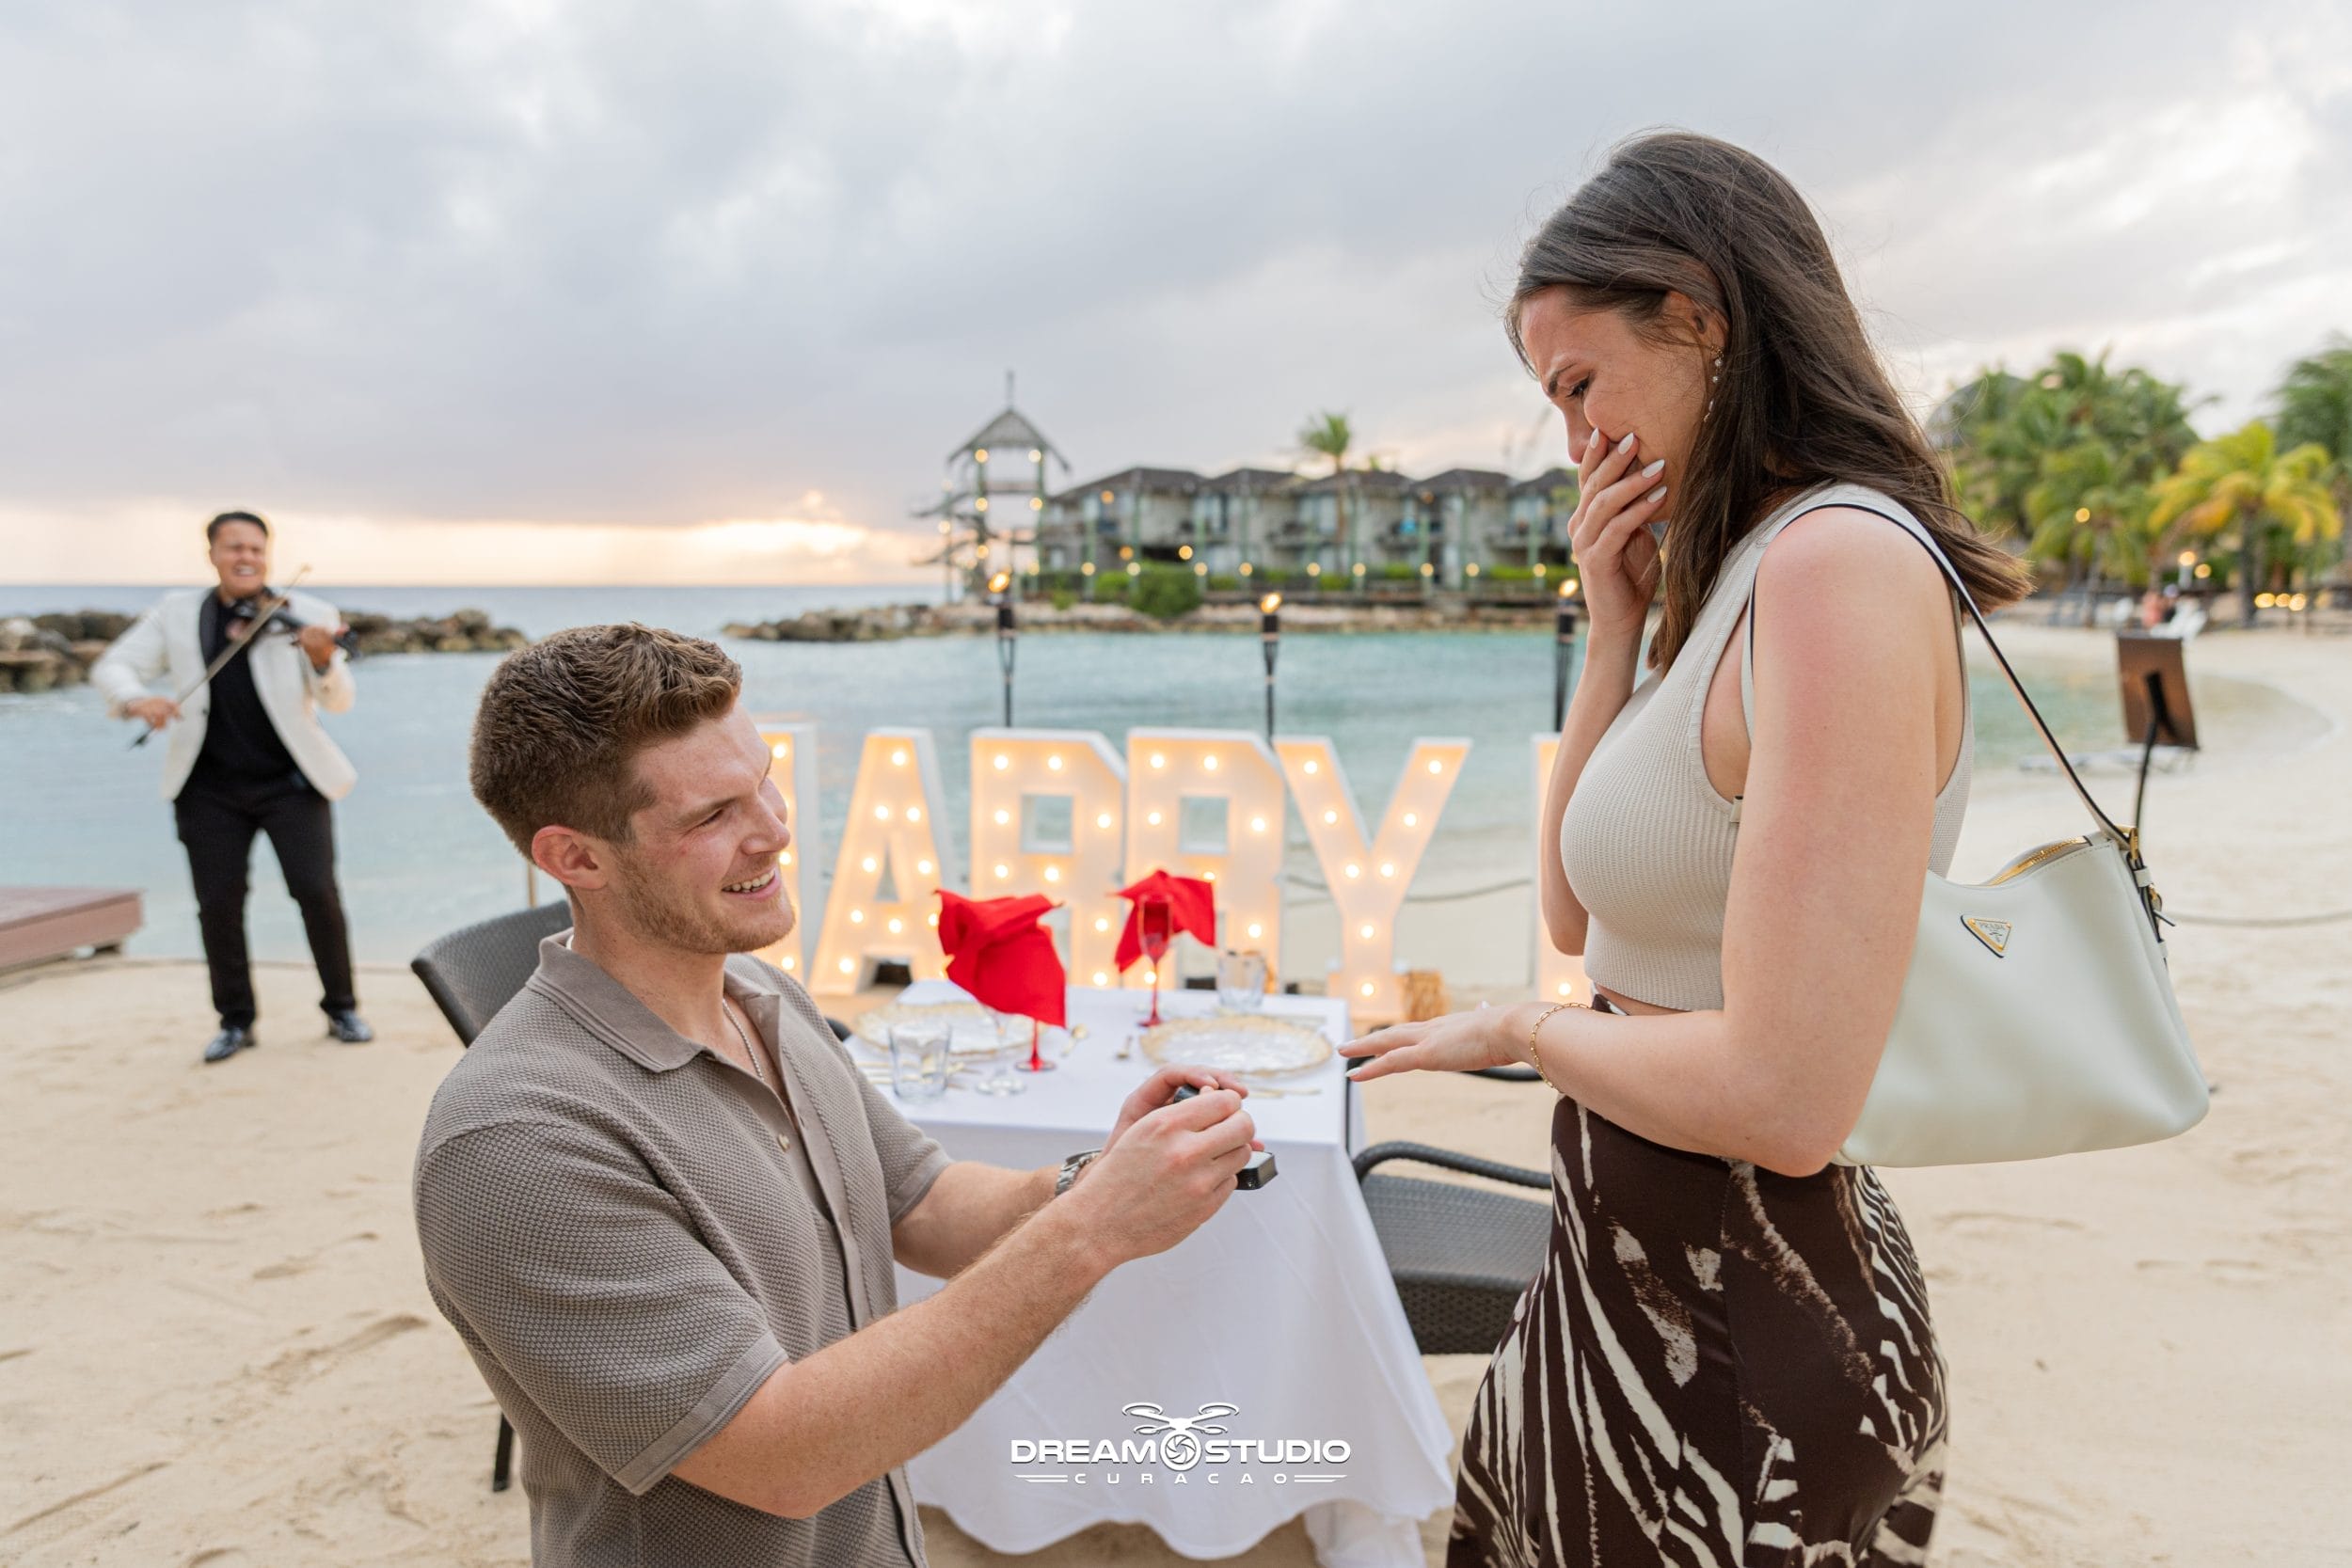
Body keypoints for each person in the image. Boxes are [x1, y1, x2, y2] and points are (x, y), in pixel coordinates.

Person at [1340, 131, 2032, 1566]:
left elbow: (1783, 1096)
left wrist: (1522, 1030)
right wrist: (1614, 624)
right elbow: (1579, 911)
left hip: (1743, 1331)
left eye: (1581, 384)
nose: (1577, 440)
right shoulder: (1741, 580)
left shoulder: (1839, 566)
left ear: (1701, 317)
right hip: (1615, 1280)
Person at [412, 623, 1262, 1568]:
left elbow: (924, 1203)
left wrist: (1097, 1175)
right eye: (712, 814)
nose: (775, 828)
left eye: (766, 779)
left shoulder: (762, 994)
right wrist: (1093, 1230)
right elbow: (784, 1454)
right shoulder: (515, 1143)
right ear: (575, 858)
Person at [91, 510, 370, 1063]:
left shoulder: (307, 613)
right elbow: (115, 665)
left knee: (316, 892)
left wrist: (321, 660)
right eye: (234, 548)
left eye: (256, 549)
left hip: (292, 783)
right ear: (212, 554)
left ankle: (342, 1006)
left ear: (267, 555)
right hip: (208, 788)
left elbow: (339, 700)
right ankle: (235, 1021)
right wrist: (134, 699)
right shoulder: (177, 612)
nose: (246, 558)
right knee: (217, 904)